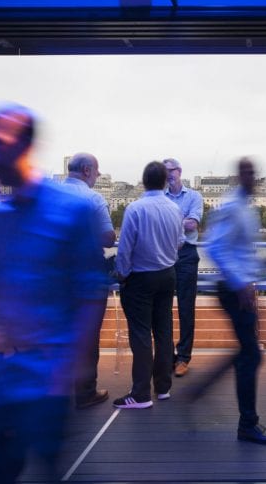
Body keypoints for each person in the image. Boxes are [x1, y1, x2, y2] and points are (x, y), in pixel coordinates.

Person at [0, 103, 107, 484]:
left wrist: (66, 371)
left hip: (44, 380)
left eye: (2, 142)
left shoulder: (70, 210)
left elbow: (91, 296)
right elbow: (4, 294)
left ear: (26, 146)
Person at [205, 157, 266, 444]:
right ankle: (247, 424)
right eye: (248, 173)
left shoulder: (247, 209)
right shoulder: (231, 206)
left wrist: (256, 269)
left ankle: (202, 391)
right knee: (251, 354)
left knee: (248, 353)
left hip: (243, 289)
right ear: (239, 176)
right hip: (233, 291)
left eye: (256, 173)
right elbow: (215, 247)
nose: (254, 178)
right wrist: (240, 284)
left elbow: (239, 250)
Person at [113, 161, 183, 409]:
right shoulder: (174, 208)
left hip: (141, 278)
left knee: (141, 335)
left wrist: (121, 275)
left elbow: (125, 249)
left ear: (143, 182)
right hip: (167, 275)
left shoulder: (136, 208)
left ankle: (141, 393)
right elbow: (180, 243)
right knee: (163, 331)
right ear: (165, 182)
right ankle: (163, 387)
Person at [64, 152, 117, 408]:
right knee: (87, 336)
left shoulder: (53, 194)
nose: (97, 176)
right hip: (86, 277)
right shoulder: (93, 198)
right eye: (96, 171)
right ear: (86, 170)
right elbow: (108, 237)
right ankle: (85, 392)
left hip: (57, 276)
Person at [163, 157, 204, 378]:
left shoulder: (194, 196)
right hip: (164, 254)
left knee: (186, 308)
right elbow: (185, 223)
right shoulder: (159, 196)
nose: (168, 174)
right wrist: (180, 220)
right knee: (163, 308)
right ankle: (168, 357)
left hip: (187, 255)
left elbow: (192, 226)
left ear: (179, 171)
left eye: (171, 170)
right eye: (164, 171)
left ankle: (183, 357)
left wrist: (166, 220)